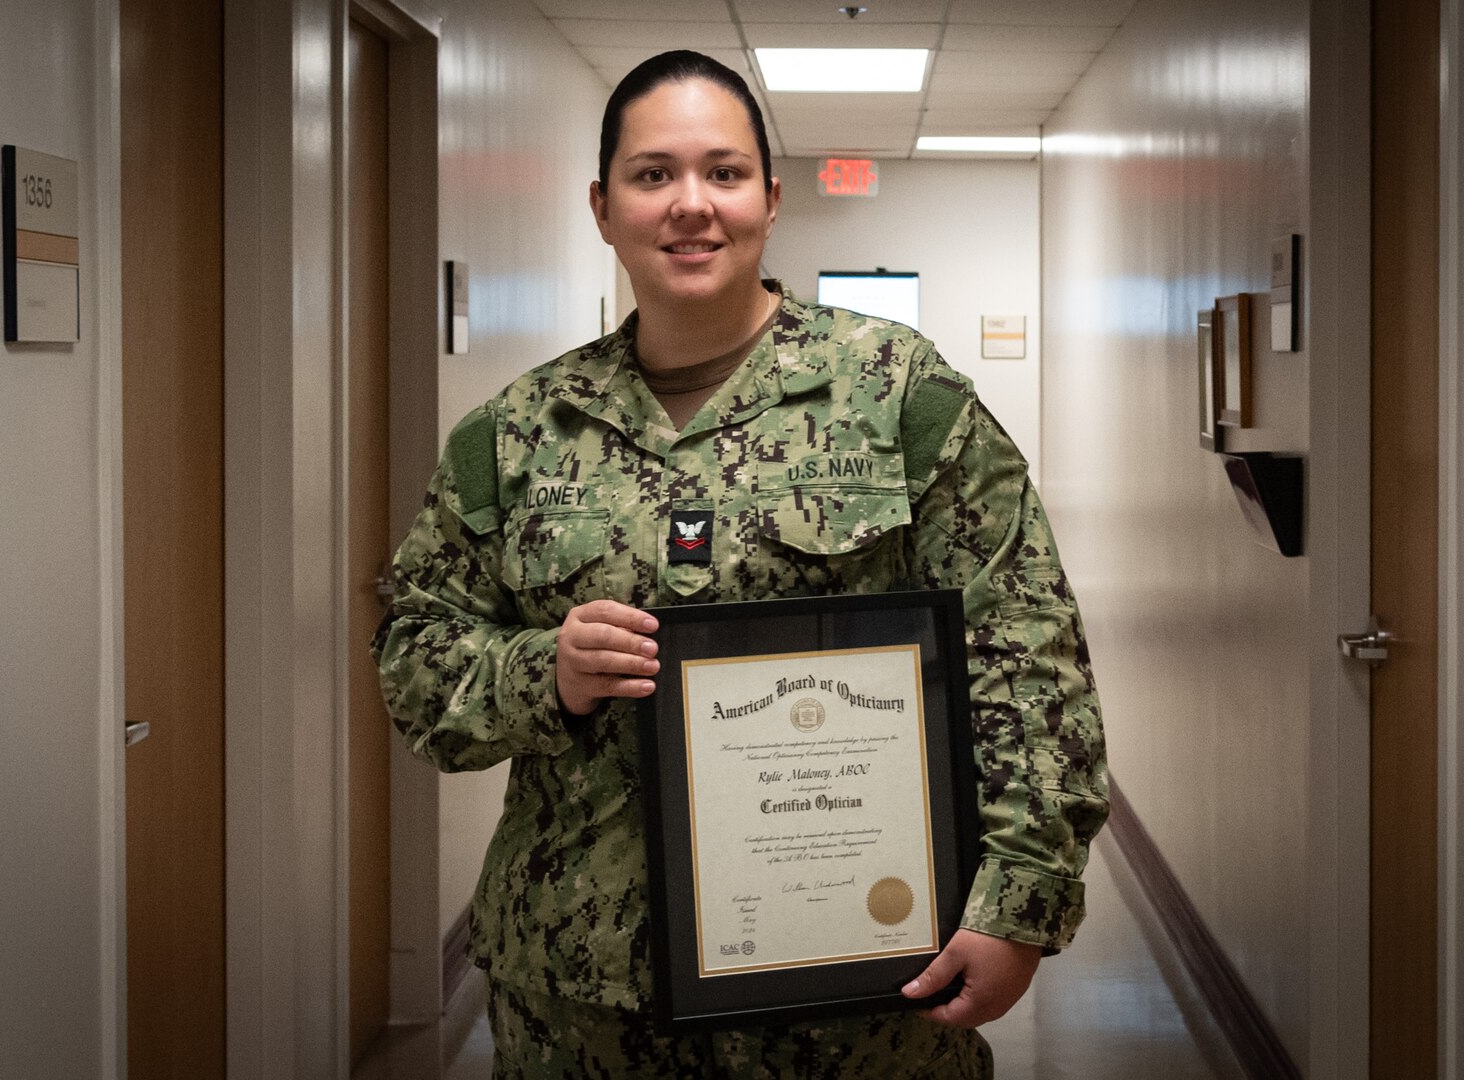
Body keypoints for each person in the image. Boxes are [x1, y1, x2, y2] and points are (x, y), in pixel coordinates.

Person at [371, 49, 1108, 1079]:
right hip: (581, 1001)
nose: (690, 206)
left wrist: (1019, 898)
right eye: (652, 174)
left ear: (771, 195)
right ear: (602, 205)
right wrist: (546, 674)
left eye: (722, 172)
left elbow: (1024, 647)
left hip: (858, 993)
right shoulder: (515, 433)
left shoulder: (896, 394)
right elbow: (415, 655)